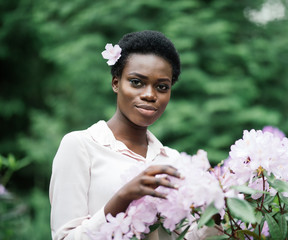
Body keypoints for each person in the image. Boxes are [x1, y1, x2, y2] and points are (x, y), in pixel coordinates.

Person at [49, 30, 220, 240]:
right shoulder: (80, 146)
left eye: (162, 87)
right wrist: (122, 198)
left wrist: (222, 210)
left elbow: (185, 236)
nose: (149, 95)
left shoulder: (172, 160)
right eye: (137, 82)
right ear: (115, 83)